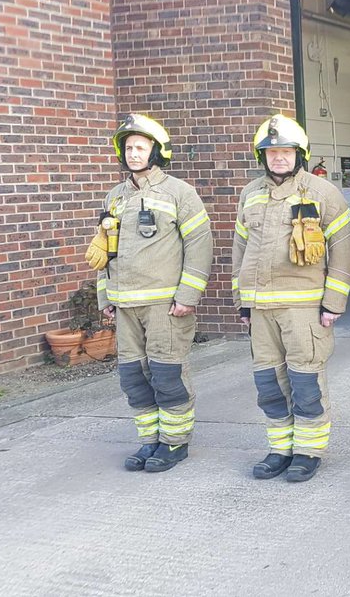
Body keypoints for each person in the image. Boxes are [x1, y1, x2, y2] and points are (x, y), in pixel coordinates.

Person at [233, 113, 350, 483]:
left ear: (299, 154)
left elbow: (344, 250)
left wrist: (333, 303)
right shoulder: (250, 193)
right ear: (262, 156)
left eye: (286, 151)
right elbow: (240, 249)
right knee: (269, 384)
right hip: (260, 308)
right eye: (272, 152)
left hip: (304, 308)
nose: (278, 158)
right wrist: (242, 301)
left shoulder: (322, 193)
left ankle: (307, 452)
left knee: (305, 382)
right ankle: (280, 449)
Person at [87, 114, 212, 472]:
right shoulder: (115, 197)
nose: (133, 154)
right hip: (125, 305)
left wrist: (187, 296)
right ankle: (149, 441)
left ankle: (174, 443)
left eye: (140, 147)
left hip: (164, 306)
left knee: (167, 374)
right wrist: (105, 297)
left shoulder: (179, 193)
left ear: (156, 151)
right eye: (129, 147)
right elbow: (104, 251)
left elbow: (200, 245)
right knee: (133, 377)